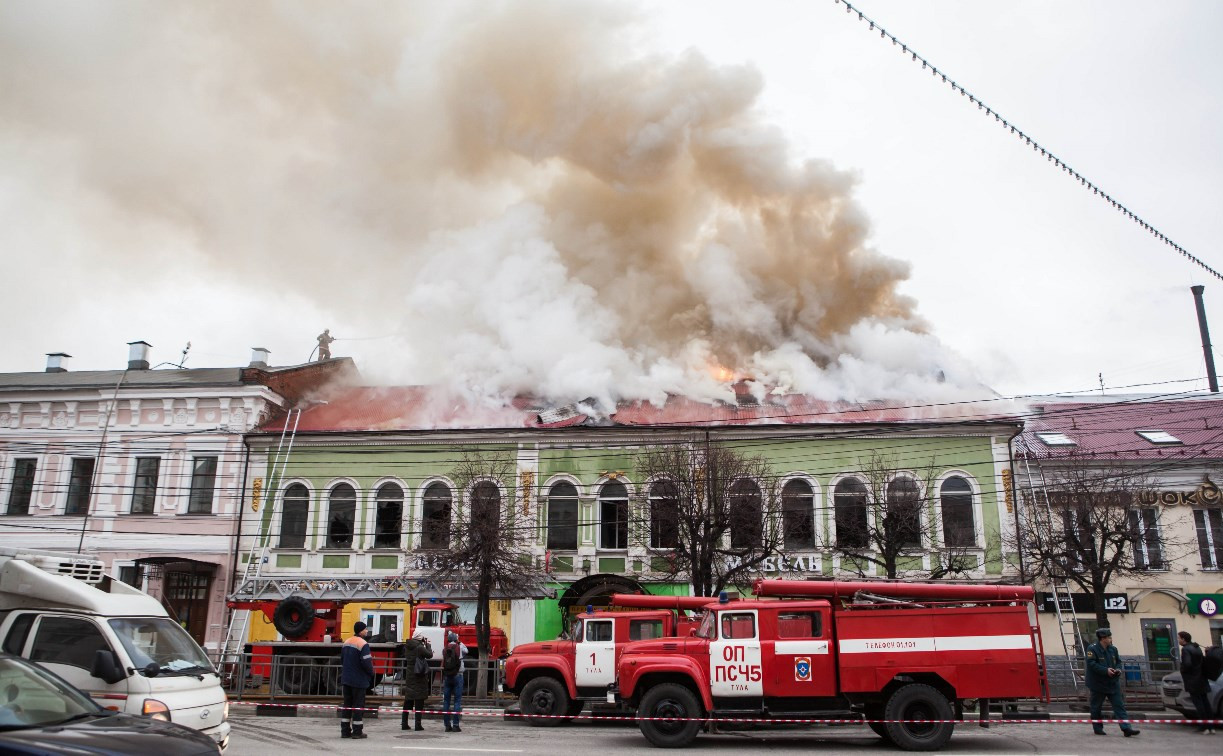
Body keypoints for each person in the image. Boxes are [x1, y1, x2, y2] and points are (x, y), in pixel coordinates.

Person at [1084, 627, 1139, 737]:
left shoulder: (1113, 649)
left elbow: (1118, 662)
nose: (1110, 639)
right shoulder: (1092, 649)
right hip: (1098, 684)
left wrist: (1118, 669)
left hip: (1112, 683)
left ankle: (1126, 728)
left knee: (1119, 706)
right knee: (1096, 707)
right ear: (1103, 638)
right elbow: (1092, 664)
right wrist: (1106, 671)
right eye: (1109, 637)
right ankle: (1098, 728)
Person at [340, 621, 374, 739]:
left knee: (347, 705)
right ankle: (357, 732)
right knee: (358, 706)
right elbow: (366, 662)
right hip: (358, 680)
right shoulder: (363, 644)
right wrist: (371, 674)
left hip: (346, 679)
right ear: (360, 631)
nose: (367, 631)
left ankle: (345, 731)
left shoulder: (347, 642)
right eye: (365, 629)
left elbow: (342, 659)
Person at [1178, 631, 1214, 734]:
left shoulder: (1185, 649)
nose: (1178, 640)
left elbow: (1187, 664)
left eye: (1179, 638)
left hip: (1193, 681)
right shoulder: (1196, 647)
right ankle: (1211, 727)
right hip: (1202, 679)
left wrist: (1182, 669)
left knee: (1199, 705)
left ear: (1184, 639)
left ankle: (1204, 726)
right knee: (1205, 703)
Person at [401, 632, 434, 731]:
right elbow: (429, 655)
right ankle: (418, 724)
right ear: (420, 638)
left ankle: (404, 723)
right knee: (419, 700)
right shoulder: (419, 647)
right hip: (419, 674)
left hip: (410, 674)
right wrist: (428, 645)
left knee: (408, 699)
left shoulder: (407, 646)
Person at [441, 631, 466, 733]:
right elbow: (467, 651)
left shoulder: (445, 649)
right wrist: (460, 643)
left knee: (446, 701)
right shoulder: (459, 648)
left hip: (447, 677)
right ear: (456, 639)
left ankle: (447, 725)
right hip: (458, 675)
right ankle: (456, 725)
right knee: (457, 701)